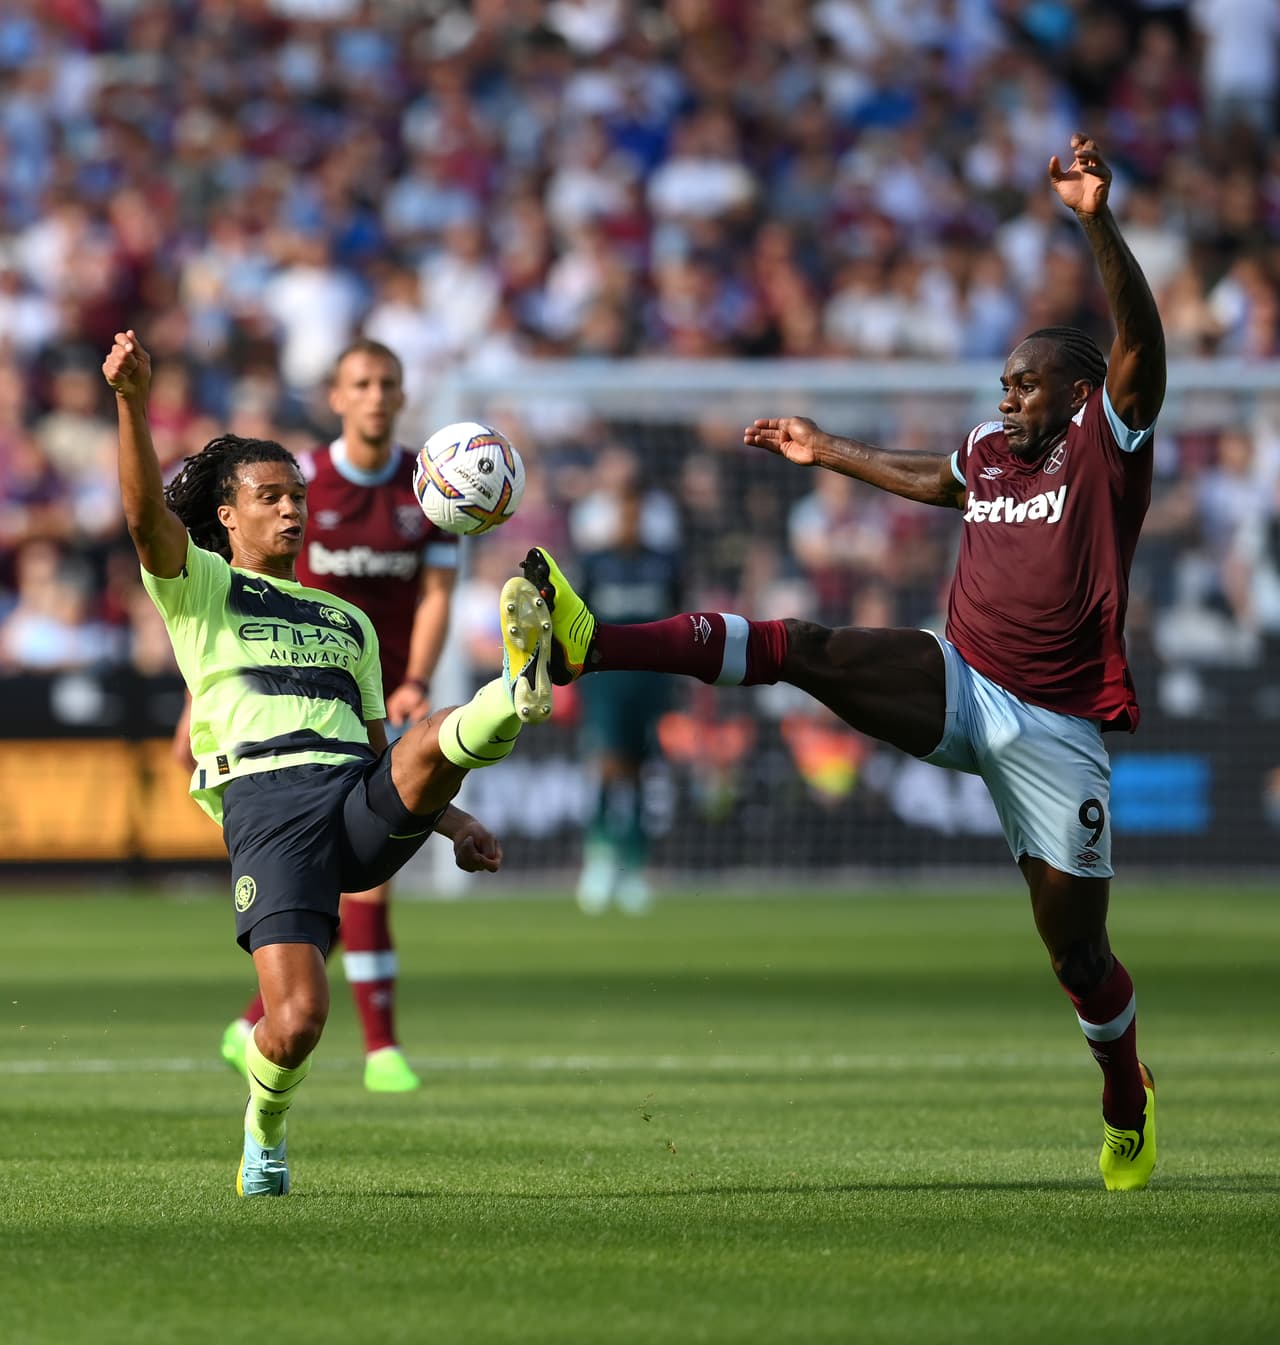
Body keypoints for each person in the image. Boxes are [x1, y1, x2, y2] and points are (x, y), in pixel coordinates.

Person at [516, 137, 1165, 1191]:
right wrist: (829, 451)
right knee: (805, 648)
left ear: (1079, 390)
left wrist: (1093, 220)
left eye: (1025, 383)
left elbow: (1139, 342)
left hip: (1056, 729)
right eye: (1001, 382)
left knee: (1076, 961)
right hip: (962, 679)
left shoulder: (1104, 444)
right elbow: (936, 475)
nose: (1006, 398)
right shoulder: (992, 456)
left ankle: (1124, 1094)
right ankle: (590, 645)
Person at [103, 329, 552, 1196]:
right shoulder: (200, 587)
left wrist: (452, 821)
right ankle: (264, 1129)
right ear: (227, 516)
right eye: (270, 497)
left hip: (354, 794)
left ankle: (514, 687)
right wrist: (131, 399)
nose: (292, 510)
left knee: (430, 731)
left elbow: (386, 753)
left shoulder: (349, 624)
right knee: (298, 1020)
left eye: (298, 496)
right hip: (270, 814)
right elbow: (141, 518)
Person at [195, 338, 462, 1094]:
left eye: (389, 383)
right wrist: (208, 697)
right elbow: (258, 608)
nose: (377, 395)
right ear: (337, 396)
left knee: (351, 879)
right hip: (300, 699)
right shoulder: (298, 482)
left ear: (404, 395)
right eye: (362, 383)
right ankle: (375, 1046)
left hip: (380, 680)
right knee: (349, 884)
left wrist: (413, 679)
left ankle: (281, 1023)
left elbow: (437, 595)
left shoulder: (432, 488)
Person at [572, 477, 683, 914]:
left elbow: (679, 618)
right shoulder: (595, 563)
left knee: (640, 771)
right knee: (605, 766)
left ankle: (635, 866)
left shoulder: (665, 563)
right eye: (624, 511)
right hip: (606, 679)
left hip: (651, 679)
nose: (630, 520)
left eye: (637, 511)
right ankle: (600, 859)